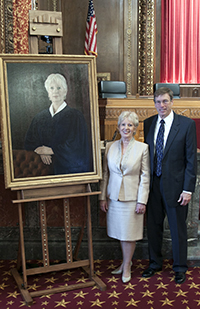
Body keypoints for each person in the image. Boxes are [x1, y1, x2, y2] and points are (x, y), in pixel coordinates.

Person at [142, 87, 197, 284]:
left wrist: (188, 189)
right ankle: (155, 263)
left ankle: (180, 267)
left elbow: (191, 160)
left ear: (172, 102)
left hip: (176, 187)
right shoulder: (149, 123)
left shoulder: (186, 124)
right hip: (153, 185)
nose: (161, 106)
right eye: (158, 102)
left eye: (165, 101)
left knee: (177, 229)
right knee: (153, 227)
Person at [99, 111, 150, 283]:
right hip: (114, 197)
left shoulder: (143, 148)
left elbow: (145, 176)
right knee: (121, 233)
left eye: (130, 125)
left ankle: (127, 266)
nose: (126, 128)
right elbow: (105, 174)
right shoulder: (110, 147)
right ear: (118, 127)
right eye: (123, 124)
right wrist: (102, 197)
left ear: (135, 128)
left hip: (132, 198)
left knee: (129, 234)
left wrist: (142, 200)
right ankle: (124, 263)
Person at [24, 73, 91, 175]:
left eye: (59, 88)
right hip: (42, 170)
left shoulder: (76, 116)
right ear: (48, 92)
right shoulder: (39, 118)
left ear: (65, 91)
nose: (55, 91)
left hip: (67, 171)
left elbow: (76, 145)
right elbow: (30, 141)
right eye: (52, 88)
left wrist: (51, 150)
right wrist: (41, 151)